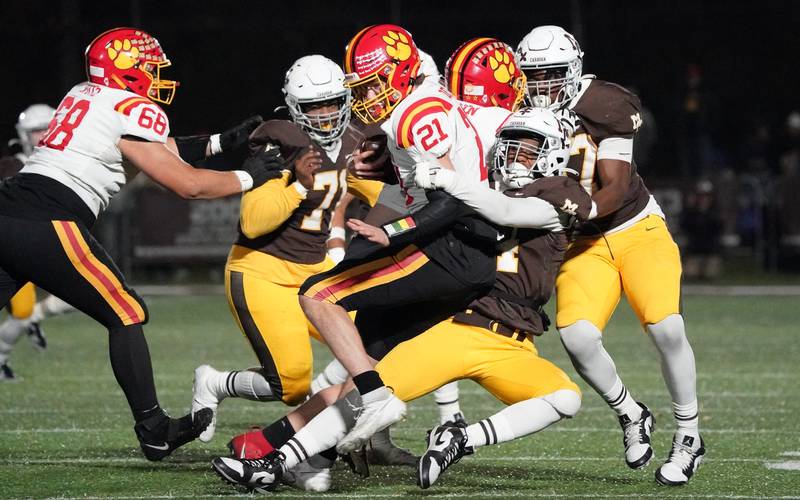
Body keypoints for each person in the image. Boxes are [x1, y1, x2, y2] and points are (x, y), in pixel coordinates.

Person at [210, 107, 590, 494]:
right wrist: (392, 230)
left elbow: (507, 211)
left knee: (565, 398)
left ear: (554, 154)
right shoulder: (483, 187)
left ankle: (461, 439)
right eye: (509, 150)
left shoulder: (561, 192)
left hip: (513, 341)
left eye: (526, 152)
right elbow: (431, 217)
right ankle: (275, 463)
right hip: (458, 326)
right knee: (367, 394)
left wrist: (447, 176)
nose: (513, 160)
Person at [0, 27, 281, 460]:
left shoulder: (85, 95)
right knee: (126, 311)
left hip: (10, 206)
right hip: (48, 216)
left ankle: (154, 429)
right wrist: (249, 177)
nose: (155, 75)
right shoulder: (130, 106)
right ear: (125, 70)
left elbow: (157, 150)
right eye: (149, 66)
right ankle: (154, 429)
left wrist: (223, 142)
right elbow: (185, 185)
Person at [518, 25, 704, 486]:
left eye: (552, 75)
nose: (542, 86)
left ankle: (689, 435)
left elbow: (616, 186)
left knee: (666, 326)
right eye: (533, 76)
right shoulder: (515, 111)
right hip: (582, 245)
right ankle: (630, 413)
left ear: (574, 69)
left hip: (634, 228)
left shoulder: (604, 104)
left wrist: (572, 213)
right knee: (577, 337)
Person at [189, 54, 382, 443]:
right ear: (296, 109)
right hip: (263, 272)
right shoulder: (280, 141)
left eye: (333, 103)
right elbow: (253, 222)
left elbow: (384, 196)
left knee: (378, 341)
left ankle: (376, 441)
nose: (327, 114)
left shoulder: (354, 141)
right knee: (292, 385)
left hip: (315, 272)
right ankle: (214, 383)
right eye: (315, 106)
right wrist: (297, 185)